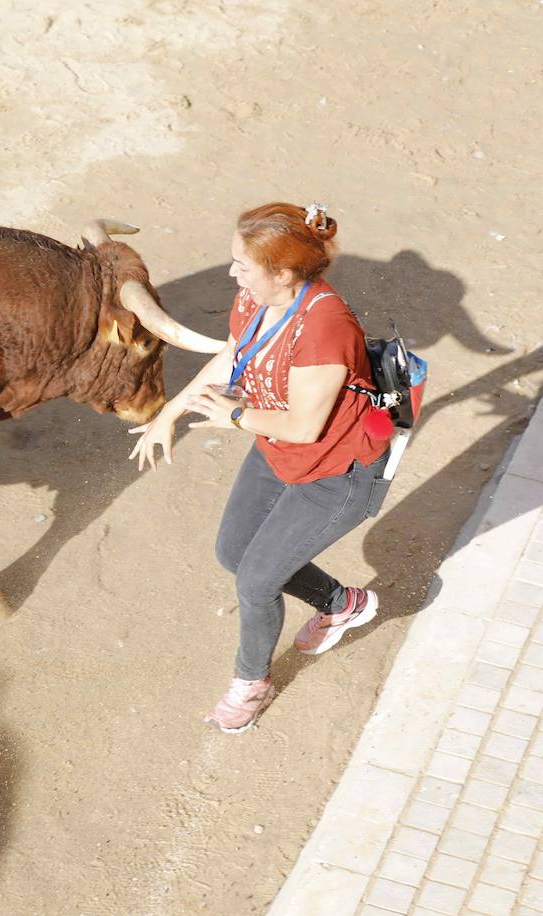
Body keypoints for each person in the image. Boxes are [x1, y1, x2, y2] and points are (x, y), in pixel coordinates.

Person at [128, 202, 391, 733]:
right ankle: (343, 604)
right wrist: (170, 413)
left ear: (284, 273)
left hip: (334, 472)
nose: (232, 274)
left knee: (254, 583)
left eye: (242, 264)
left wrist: (236, 415)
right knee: (233, 552)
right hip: (276, 449)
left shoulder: (326, 327)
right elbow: (233, 354)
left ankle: (251, 686)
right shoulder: (255, 298)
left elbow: (303, 427)